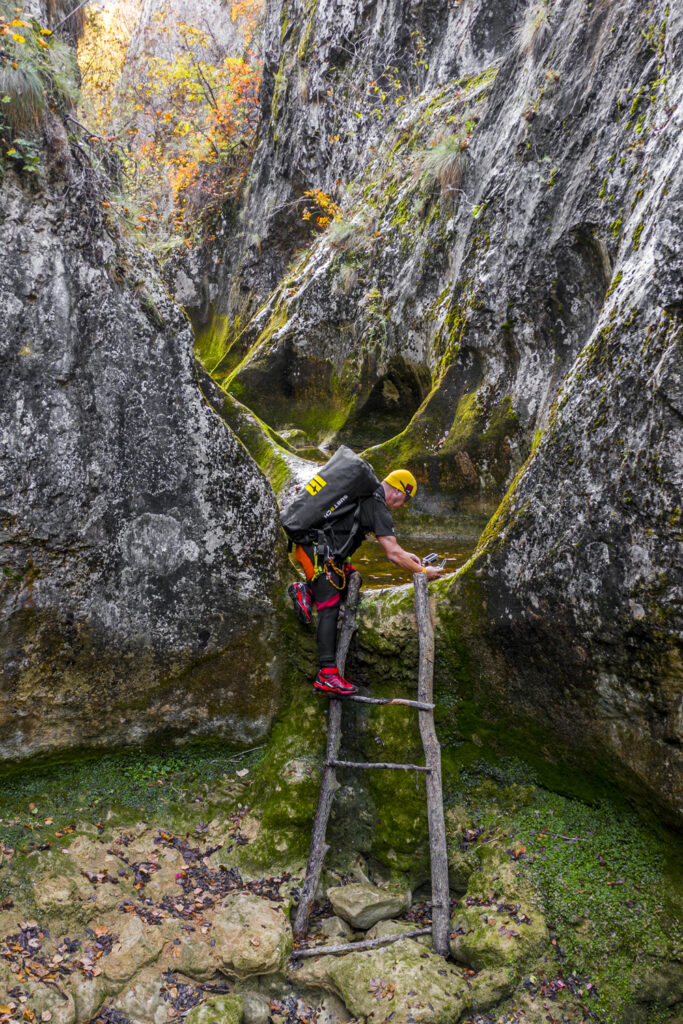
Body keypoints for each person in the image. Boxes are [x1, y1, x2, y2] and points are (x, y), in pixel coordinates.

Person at [287, 469, 444, 696]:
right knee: (329, 606)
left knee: (352, 578)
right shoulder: (378, 505)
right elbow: (392, 553)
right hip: (315, 553)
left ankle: (306, 590)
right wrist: (422, 571)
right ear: (399, 491)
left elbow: (396, 550)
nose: (400, 506)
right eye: (404, 501)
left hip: (312, 548)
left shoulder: (366, 495)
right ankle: (327, 674)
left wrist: (406, 554)